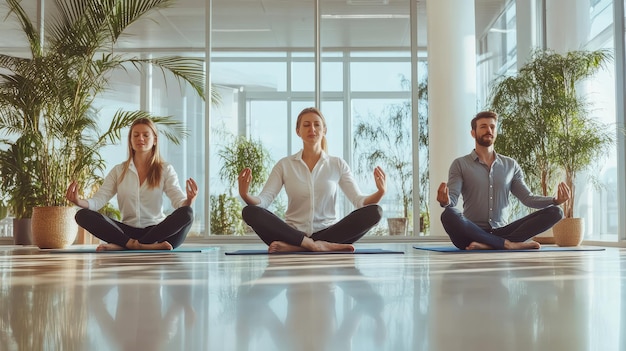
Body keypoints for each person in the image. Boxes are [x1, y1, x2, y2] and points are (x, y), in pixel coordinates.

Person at [238, 107, 386, 253]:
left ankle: (299, 247)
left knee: (375, 212)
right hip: (292, 234)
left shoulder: (337, 164)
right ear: (298, 131)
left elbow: (359, 201)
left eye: (317, 125)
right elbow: (263, 201)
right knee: (250, 212)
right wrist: (245, 195)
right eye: (306, 125)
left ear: (324, 130)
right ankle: (311, 245)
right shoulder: (285, 164)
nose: (312, 129)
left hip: (329, 234)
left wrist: (380, 192)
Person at [437, 110, 570, 250]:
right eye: (483, 126)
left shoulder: (510, 165)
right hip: (471, 233)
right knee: (449, 214)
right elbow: (451, 199)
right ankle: (506, 244)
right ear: (473, 133)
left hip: (504, 232)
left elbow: (528, 198)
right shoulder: (460, 164)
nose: (488, 130)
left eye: (492, 127)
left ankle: (490, 245)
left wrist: (555, 200)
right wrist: (445, 201)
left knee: (556, 212)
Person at [66, 117, 198, 251]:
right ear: (130, 140)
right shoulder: (118, 171)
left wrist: (190, 199)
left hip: (158, 231)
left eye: (146, 135)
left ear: (155, 140)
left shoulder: (165, 169)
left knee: (187, 213)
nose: (140, 138)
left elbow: (178, 201)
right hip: (126, 232)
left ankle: (126, 246)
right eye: (136, 135)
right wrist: (78, 201)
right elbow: (98, 201)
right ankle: (139, 245)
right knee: (82, 215)